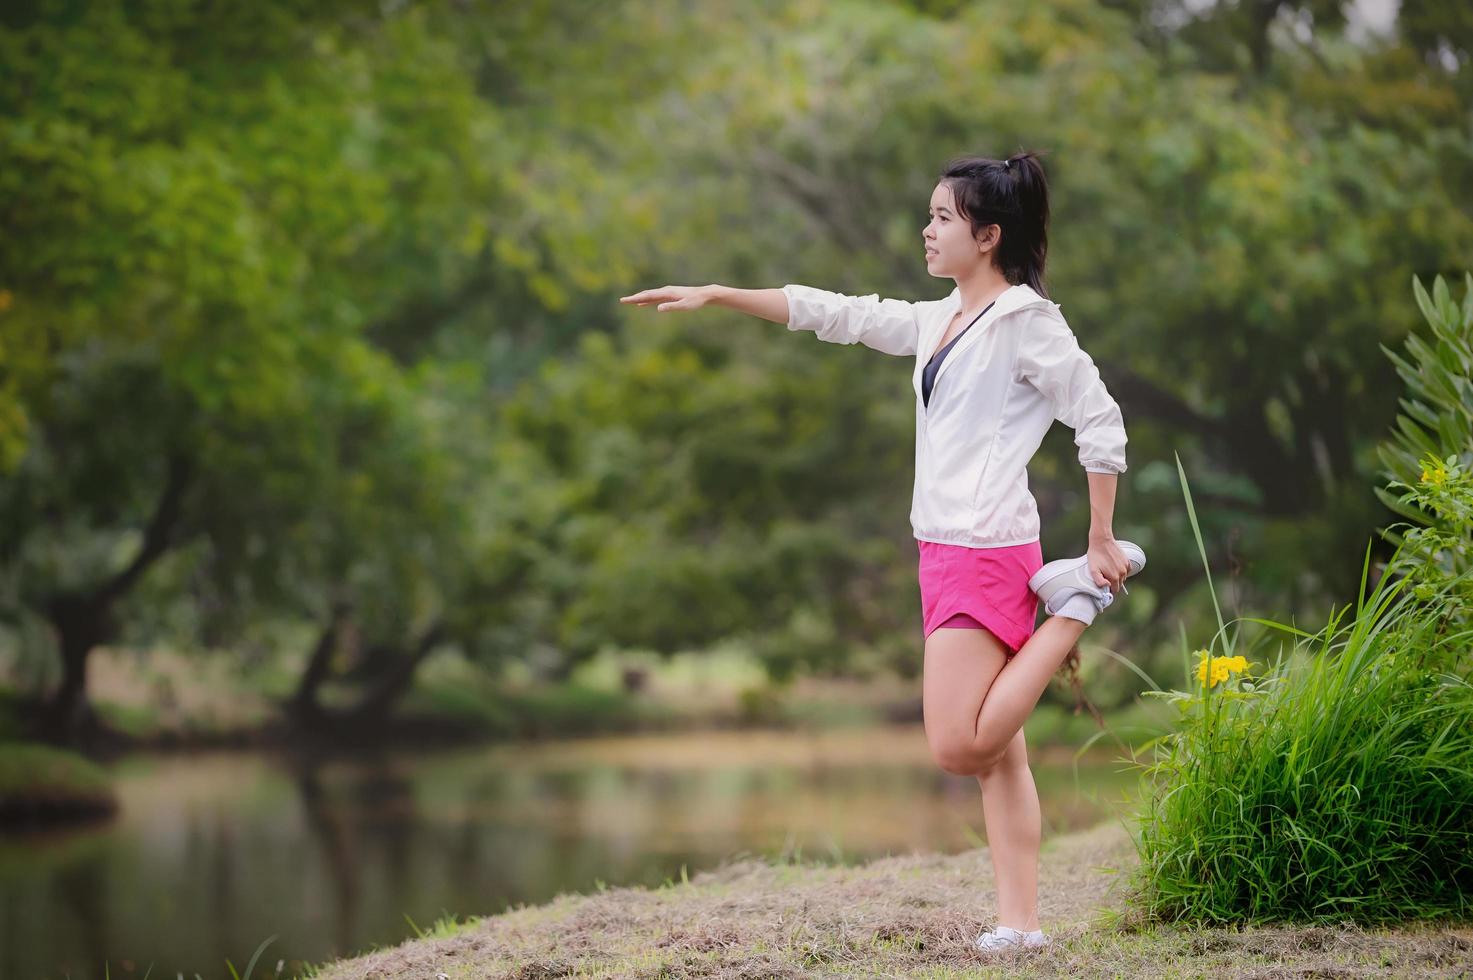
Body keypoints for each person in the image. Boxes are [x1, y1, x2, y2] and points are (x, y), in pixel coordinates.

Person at [619, 152, 1146, 954]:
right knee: (999, 757)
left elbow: (1099, 419)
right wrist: (722, 294)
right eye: (929, 215)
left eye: (942, 217)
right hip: (940, 549)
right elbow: (839, 312)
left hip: (986, 549)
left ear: (988, 234)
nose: (926, 230)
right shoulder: (942, 319)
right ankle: (1023, 925)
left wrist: (1099, 538)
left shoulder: (1027, 322)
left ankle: (1077, 602)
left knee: (958, 745)